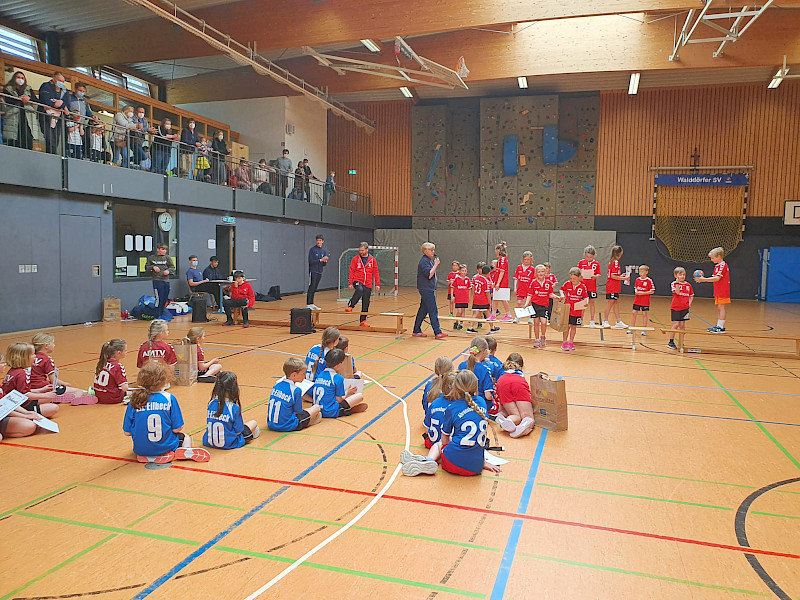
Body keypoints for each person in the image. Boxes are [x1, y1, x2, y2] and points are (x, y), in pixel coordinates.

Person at [400, 370, 500, 477]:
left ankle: (428, 460)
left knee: (439, 445)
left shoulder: (452, 408)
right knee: (460, 442)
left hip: (454, 464)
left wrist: (444, 451)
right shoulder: (482, 402)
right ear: (475, 387)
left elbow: (444, 440)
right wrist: (483, 462)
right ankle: (424, 461)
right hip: (476, 467)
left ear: (455, 389)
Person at [123, 361, 210, 464]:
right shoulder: (169, 398)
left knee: (144, 443)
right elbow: (177, 428)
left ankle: (147, 456)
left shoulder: (134, 400)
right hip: (166, 447)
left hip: (140, 449)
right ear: (164, 380)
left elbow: (127, 432)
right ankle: (185, 449)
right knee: (185, 437)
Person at [30, 333, 93, 404]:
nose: (54, 345)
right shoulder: (47, 359)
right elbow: (54, 381)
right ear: (46, 346)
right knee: (79, 391)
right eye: (53, 343)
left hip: (30, 389)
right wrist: (65, 384)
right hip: (44, 388)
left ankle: (55, 397)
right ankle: (71, 399)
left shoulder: (29, 358)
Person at [203, 371, 260, 449]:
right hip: (230, 444)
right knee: (253, 423)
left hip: (208, 442)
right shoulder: (234, 408)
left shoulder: (211, 403)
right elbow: (238, 432)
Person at [0, 351, 48, 442]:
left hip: (6, 413)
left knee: (30, 425)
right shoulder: (20, 373)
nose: (5, 364)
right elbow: (5, 408)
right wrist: (24, 416)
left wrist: (26, 413)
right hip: (8, 412)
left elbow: (8, 402)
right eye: (2, 363)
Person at [2, 342, 58, 418]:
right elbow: (25, 395)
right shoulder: (21, 374)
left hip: (17, 402)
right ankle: (30, 412)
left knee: (49, 398)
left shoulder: (14, 371)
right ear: (24, 357)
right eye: (32, 354)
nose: (35, 356)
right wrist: (44, 395)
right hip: (19, 405)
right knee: (53, 408)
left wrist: (40, 390)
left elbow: (19, 391)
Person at [267, 357, 323, 432]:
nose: (305, 375)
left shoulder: (277, 385)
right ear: (294, 375)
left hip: (271, 424)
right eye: (303, 373)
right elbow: (298, 412)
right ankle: (309, 422)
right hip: (287, 425)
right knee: (316, 408)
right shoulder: (296, 390)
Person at [312, 349, 367, 418]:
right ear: (339, 364)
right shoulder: (337, 377)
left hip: (318, 410)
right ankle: (348, 409)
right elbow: (339, 400)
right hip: (330, 411)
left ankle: (349, 408)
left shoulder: (320, 374)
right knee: (359, 396)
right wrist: (347, 392)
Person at [493, 353, 536, 438]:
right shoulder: (520, 374)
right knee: (526, 416)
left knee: (513, 414)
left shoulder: (501, 371)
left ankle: (507, 419)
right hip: (518, 382)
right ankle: (523, 425)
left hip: (502, 382)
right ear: (521, 366)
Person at [412, 242, 447, 339]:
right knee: (433, 310)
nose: (433, 252)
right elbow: (429, 275)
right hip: (426, 289)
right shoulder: (424, 262)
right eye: (431, 250)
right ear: (425, 251)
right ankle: (437, 332)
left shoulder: (428, 261)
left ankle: (416, 330)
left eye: (433, 250)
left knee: (423, 310)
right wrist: (436, 265)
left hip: (428, 288)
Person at [695, 247, 731, 333]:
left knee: (722, 308)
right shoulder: (717, 266)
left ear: (719, 256)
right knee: (719, 308)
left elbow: (717, 278)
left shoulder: (723, 265)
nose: (711, 260)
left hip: (723, 290)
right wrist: (704, 279)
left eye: (712, 258)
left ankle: (721, 327)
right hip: (718, 290)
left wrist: (704, 279)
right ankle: (718, 325)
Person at [345, 242, 380, 326]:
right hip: (357, 280)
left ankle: (363, 321)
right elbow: (351, 270)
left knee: (366, 302)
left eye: (362, 250)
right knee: (359, 290)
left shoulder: (372, 260)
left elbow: (376, 272)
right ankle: (351, 305)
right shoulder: (355, 259)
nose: (360, 252)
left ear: (367, 249)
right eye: (360, 250)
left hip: (367, 283)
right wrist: (350, 283)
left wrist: (377, 284)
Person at [421, 357, 454, 444]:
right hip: (447, 432)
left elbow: (424, 404)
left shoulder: (429, 384)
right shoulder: (452, 387)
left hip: (431, 423)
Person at [457, 337, 494, 412]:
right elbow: (488, 396)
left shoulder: (461, 366)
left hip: (462, 402)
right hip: (480, 405)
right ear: (483, 352)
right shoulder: (484, 369)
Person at [3, 71, 38, 150]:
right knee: (14, 142)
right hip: (13, 117)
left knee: (27, 140)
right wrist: (20, 99)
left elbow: (37, 101)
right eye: (18, 77)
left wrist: (29, 99)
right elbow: (9, 100)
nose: (20, 79)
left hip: (26, 118)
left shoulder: (28, 89)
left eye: (22, 78)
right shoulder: (8, 88)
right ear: (14, 78)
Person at [526, 264, 558, 348]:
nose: (541, 273)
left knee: (544, 322)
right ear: (536, 273)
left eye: (542, 271)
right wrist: (526, 303)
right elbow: (529, 294)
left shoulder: (548, 283)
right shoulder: (533, 283)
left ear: (546, 273)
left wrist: (556, 297)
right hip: (535, 305)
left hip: (544, 305)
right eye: (539, 272)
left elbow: (550, 294)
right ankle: (537, 339)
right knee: (536, 322)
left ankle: (543, 336)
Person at [38, 71, 69, 155]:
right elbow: (45, 100)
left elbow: (67, 104)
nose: (61, 83)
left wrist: (61, 103)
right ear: (54, 78)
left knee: (56, 139)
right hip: (46, 116)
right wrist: (61, 106)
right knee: (49, 138)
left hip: (58, 118)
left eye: (63, 81)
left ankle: (53, 156)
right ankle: (50, 156)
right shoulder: (45, 86)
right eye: (59, 80)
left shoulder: (65, 91)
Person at [559, 266, 588, 351]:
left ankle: (571, 342)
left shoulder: (582, 287)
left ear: (579, 278)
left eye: (574, 279)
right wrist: (562, 294)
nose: (572, 280)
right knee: (567, 326)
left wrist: (586, 303)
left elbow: (586, 297)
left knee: (573, 327)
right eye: (571, 278)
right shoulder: (567, 284)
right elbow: (561, 289)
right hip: (568, 309)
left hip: (577, 311)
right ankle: (564, 342)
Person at [93, 339, 129, 404]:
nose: (127, 352)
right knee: (135, 393)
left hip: (99, 396)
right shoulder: (118, 366)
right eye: (125, 350)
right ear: (119, 353)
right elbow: (125, 388)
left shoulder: (101, 363)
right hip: (112, 398)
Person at [602, 245, 629, 329]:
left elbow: (614, 275)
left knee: (615, 303)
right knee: (611, 302)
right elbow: (612, 276)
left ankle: (618, 321)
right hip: (612, 286)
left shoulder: (612, 261)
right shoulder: (615, 262)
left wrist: (621, 275)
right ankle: (605, 320)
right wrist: (624, 278)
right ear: (620, 253)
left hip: (614, 286)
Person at [146, 243, 175, 319]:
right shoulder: (152, 258)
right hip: (157, 280)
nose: (164, 251)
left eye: (165, 250)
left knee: (165, 297)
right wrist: (153, 267)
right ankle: (157, 315)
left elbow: (172, 267)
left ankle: (162, 313)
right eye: (162, 249)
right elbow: (147, 267)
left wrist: (168, 271)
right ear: (158, 249)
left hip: (165, 280)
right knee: (159, 298)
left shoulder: (167, 258)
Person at [669, 267, 694, 349]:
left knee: (682, 325)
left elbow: (691, 295)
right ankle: (671, 341)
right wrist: (677, 283)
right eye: (680, 275)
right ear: (676, 276)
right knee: (676, 324)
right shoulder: (674, 284)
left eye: (684, 275)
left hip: (685, 308)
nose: (682, 276)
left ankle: (681, 342)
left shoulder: (688, 285)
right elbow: (677, 292)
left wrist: (689, 304)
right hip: (676, 307)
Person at [578, 245, 602, 327]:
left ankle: (592, 320)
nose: (589, 259)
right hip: (583, 286)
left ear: (594, 256)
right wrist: (580, 276)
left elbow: (599, 274)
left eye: (590, 257)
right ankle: (580, 319)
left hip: (592, 286)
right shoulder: (581, 262)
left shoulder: (596, 263)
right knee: (583, 303)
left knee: (592, 303)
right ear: (585, 255)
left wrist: (595, 276)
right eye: (587, 257)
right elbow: (578, 273)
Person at [489, 241, 513, 322]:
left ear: (499, 250)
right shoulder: (499, 260)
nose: (495, 252)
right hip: (498, 282)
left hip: (502, 283)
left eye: (496, 250)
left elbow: (502, 272)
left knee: (503, 299)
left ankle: (508, 315)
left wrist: (498, 283)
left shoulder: (502, 259)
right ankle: (493, 315)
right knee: (495, 299)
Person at [467, 263, 493, 334]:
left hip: (476, 298)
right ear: (488, 273)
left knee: (475, 313)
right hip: (483, 299)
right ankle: (492, 328)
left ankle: (470, 327)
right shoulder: (485, 281)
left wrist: (474, 295)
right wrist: (490, 303)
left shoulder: (475, 278)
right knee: (488, 313)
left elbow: (473, 287)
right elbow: (487, 293)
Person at [307, 234, 329, 309]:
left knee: (315, 287)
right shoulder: (312, 250)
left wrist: (325, 261)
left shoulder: (323, 251)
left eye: (320, 240)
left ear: (323, 241)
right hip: (313, 271)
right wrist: (320, 260)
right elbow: (311, 261)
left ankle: (312, 303)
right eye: (317, 240)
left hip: (320, 271)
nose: (318, 242)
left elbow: (324, 264)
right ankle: (309, 303)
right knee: (312, 286)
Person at [630, 265, 655, 332]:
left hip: (645, 301)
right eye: (640, 272)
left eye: (642, 272)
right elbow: (635, 288)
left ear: (646, 272)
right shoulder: (637, 279)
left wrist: (643, 293)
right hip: (637, 300)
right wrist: (636, 292)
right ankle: (631, 328)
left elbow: (652, 291)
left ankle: (644, 329)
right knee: (634, 313)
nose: (640, 273)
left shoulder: (649, 280)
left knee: (644, 314)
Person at [452, 263, 470, 330]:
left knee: (463, 311)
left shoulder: (467, 279)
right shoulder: (457, 279)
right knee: (459, 311)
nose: (464, 272)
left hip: (465, 298)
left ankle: (461, 324)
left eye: (465, 270)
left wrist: (468, 297)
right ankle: (456, 322)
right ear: (460, 271)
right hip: (458, 298)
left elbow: (469, 288)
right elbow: (453, 287)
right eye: (462, 270)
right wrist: (452, 296)